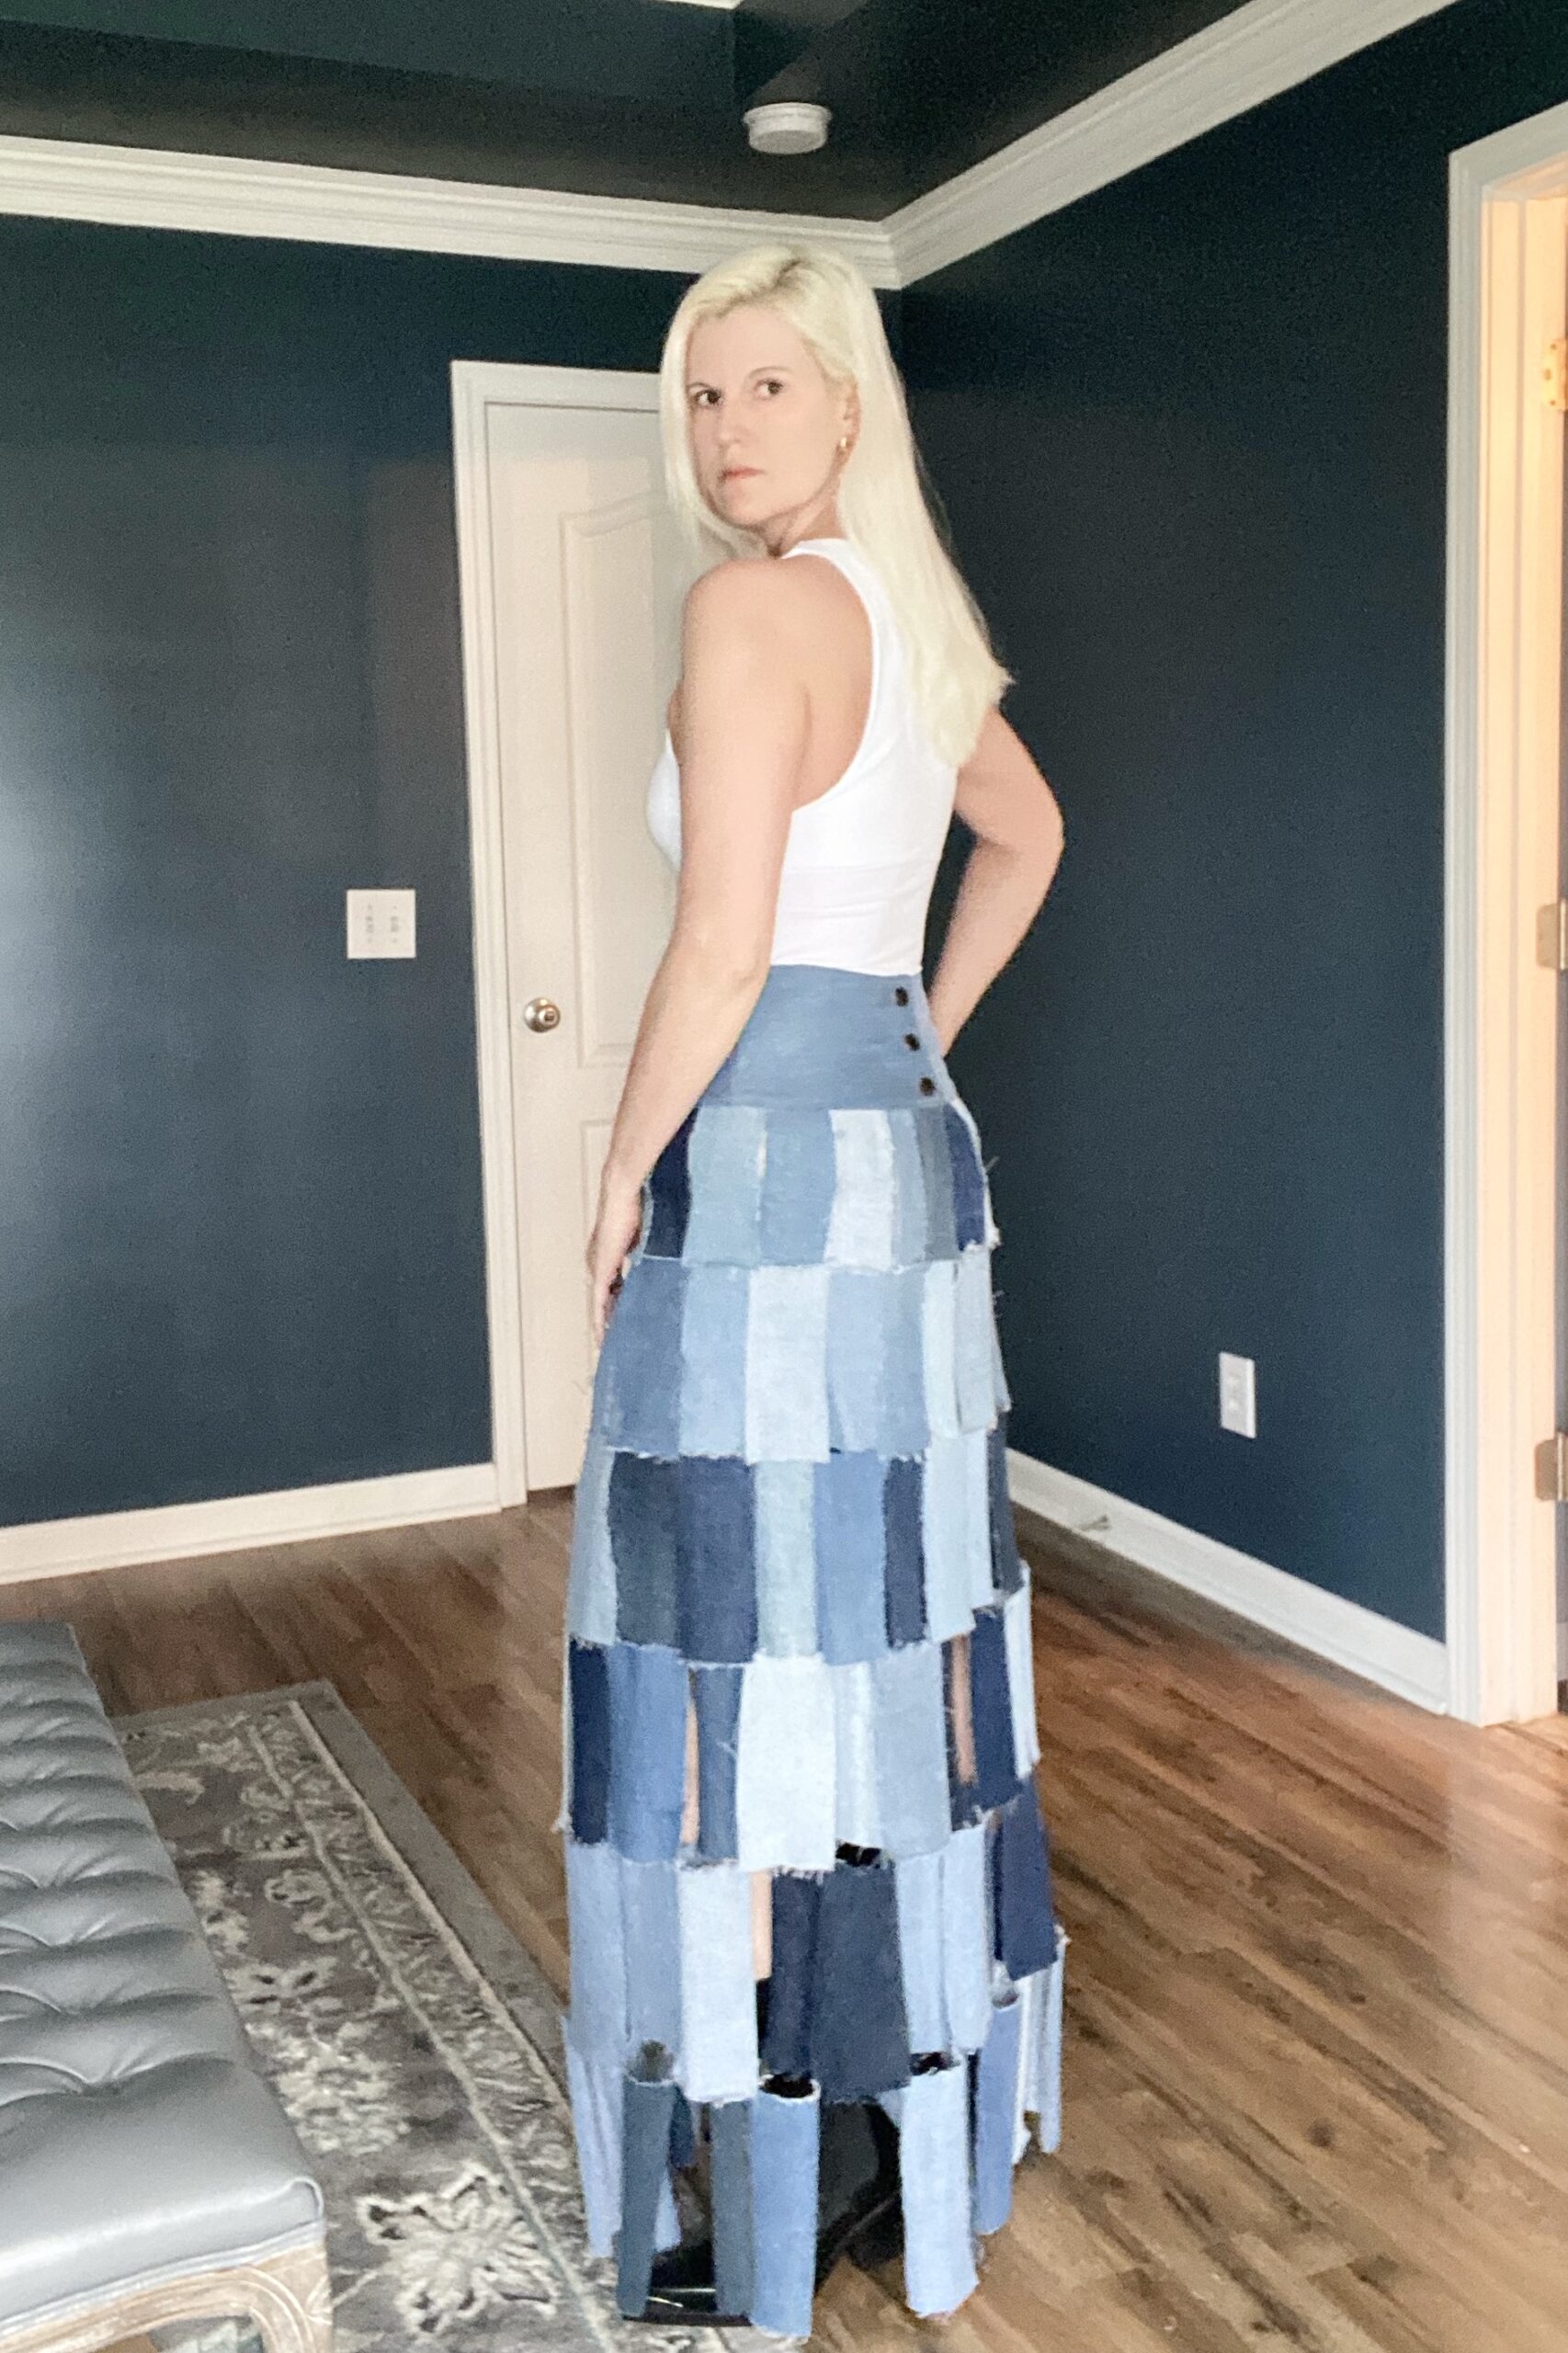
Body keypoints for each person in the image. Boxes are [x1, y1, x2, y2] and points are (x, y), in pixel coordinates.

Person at [560, 241, 1068, 2336]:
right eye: (703, 394)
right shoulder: (914, 625)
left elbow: (721, 943)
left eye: (766, 384)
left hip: (765, 1175)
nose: (727, 428)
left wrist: (618, 1173)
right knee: (885, 1614)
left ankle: (763, 2125)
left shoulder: (751, 612)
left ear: (849, 400)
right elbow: (1029, 838)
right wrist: (920, 1035)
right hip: (904, 1164)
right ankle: (876, 2101)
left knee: (725, 1624)